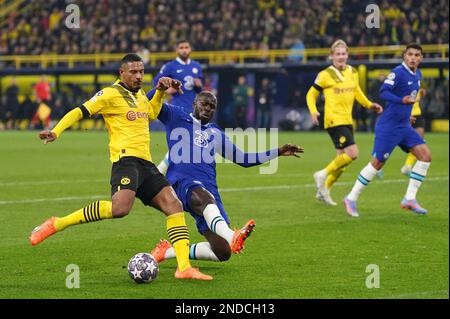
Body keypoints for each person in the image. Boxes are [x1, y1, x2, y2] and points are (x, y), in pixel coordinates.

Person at [29, 54, 212, 281]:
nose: (138, 76)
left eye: (141, 72)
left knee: (174, 205)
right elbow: (80, 110)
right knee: (120, 209)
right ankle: (57, 223)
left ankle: (183, 268)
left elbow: (152, 114)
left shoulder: (141, 95)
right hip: (125, 161)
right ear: (121, 73)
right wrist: (56, 130)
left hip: (146, 163)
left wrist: (161, 91)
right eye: (133, 72)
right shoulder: (109, 94)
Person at [146, 90, 303, 264]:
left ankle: (167, 251)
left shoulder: (216, 133)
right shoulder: (177, 116)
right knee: (205, 200)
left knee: (222, 252)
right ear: (194, 104)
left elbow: (243, 159)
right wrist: (160, 87)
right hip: (183, 182)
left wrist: (278, 152)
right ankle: (232, 235)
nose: (208, 109)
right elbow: (148, 100)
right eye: (204, 104)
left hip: (210, 189)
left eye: (212, 107)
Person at [344, 43, 431, 217]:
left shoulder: (417, 74)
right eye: (410, 54)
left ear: (421, 58)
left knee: (425, 157)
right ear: (404, 56)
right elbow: (383, 92)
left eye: (417, 55)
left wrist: (407, 115)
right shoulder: (398, 72)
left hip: (404, 126)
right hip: (389, 126)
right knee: (377, 164)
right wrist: (402, 102)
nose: (413, 57)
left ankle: (409, 199)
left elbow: (409, 98)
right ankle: (351, 198)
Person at [306, 39, 383, 206]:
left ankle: (324, 190)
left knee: (341, 161)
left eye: (343, 54)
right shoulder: (325, 74)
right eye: (337, 54)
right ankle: (322, 174)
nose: (341, 57)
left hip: (347, 120)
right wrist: (313, 110)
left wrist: (370, 104)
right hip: (334, 120)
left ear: (347, 55)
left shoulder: (352, 72)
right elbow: (310, 94)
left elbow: (357, 92)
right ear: (331, 56)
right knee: (353, 154)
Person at [152, 40, 203, 174]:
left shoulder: (196, 66)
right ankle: (160, 170)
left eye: (186, 47)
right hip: (177, 110)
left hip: (193, 110)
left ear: (190, 49)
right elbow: (156, 82)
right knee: (183, 141)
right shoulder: (170, 66)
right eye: (181, 47)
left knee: (185, 143)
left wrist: (199, 86)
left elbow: (199, 90)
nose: (184, 50)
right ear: (177, 50)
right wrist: (167, 90)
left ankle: (165, 172)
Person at [401, 89, 426, 175]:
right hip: (407, 115)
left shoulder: (417, 78)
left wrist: (421, 92)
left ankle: (408, 166)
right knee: (395, 140)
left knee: (419, 142)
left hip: (417, 115)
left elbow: (417, 92)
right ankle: (377, 162)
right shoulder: (403, 81)